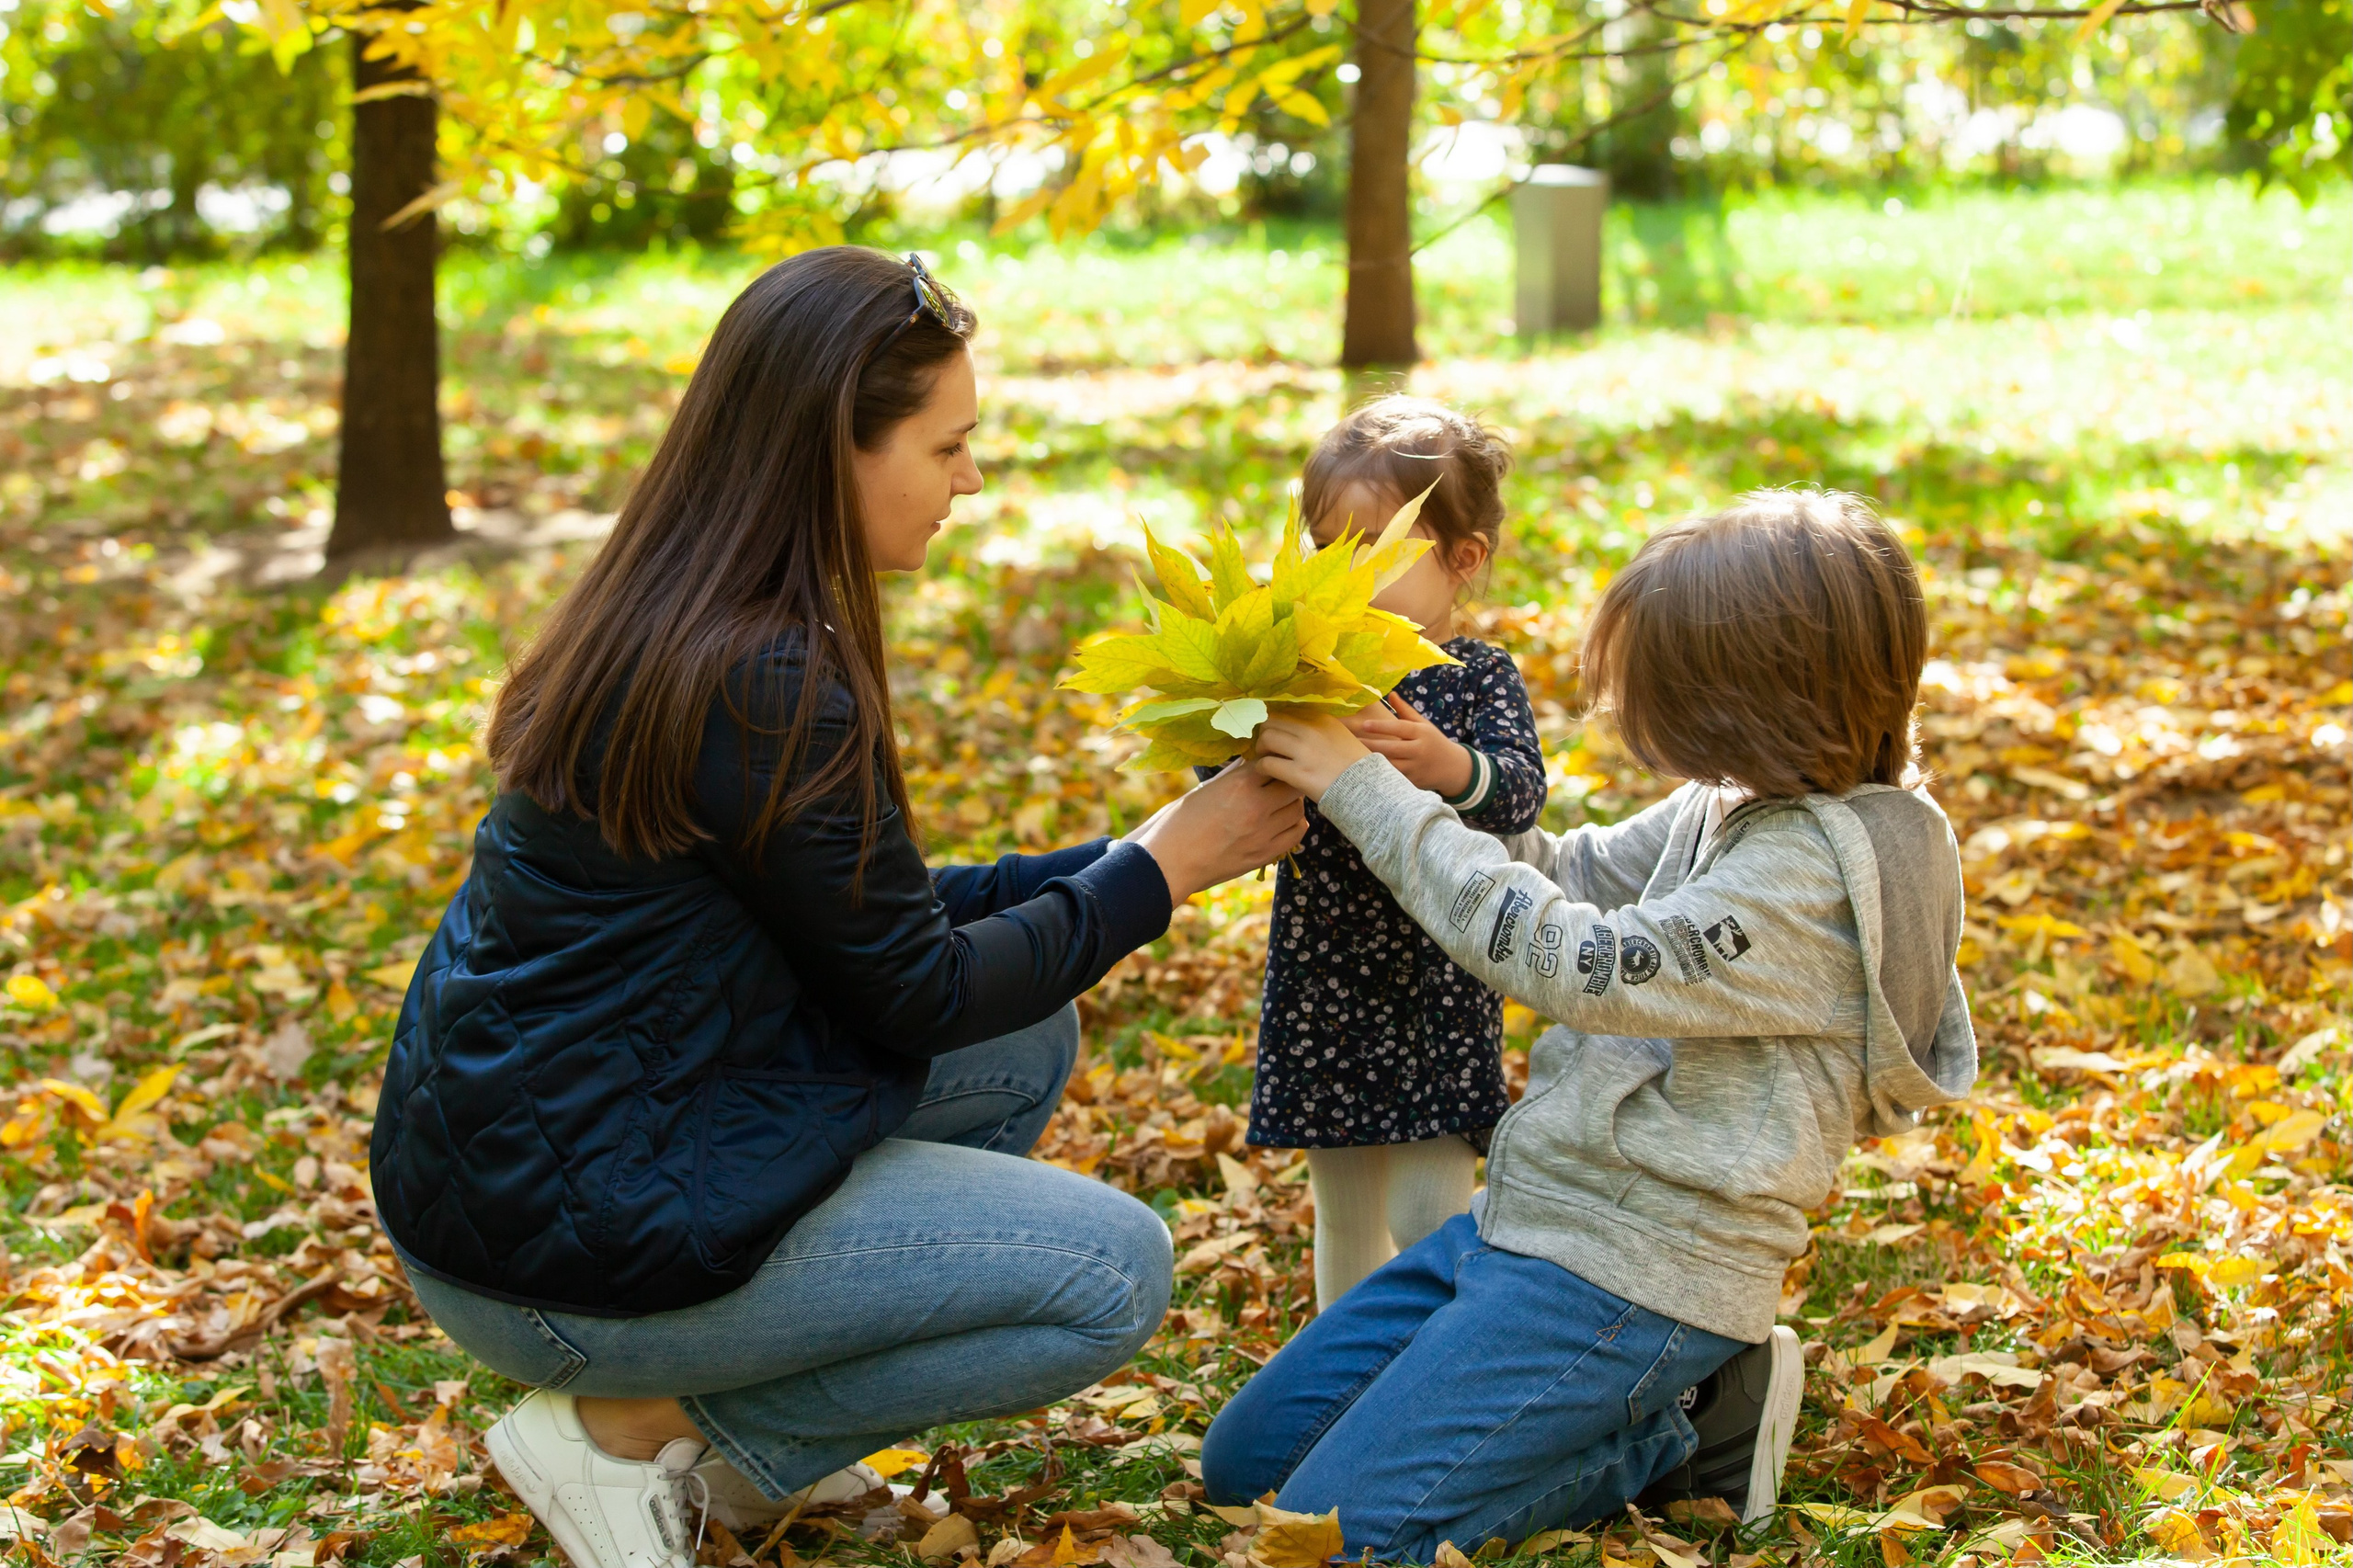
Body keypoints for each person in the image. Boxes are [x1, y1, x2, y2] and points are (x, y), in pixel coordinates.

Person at [368, 247, 1308, 1568]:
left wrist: (1137, 848)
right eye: (949, 443)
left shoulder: (691, 610)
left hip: (553, 1164)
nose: (970, 478)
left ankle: (707, 1441)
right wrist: (1165, 871)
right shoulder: (762, 671)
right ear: (833, 446)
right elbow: (918, 989)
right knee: (1112, 1275)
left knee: (1023, 1041)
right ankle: (644, 1425)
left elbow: (872, 918)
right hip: (561, 1246)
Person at [1221, 489, 1980, 1562]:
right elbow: (1569, 876)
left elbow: (1573, 963)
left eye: (1660, 690)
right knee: (1246, 1464)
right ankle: (1680, 1412)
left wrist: (1370, 800)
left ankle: (1673, 1432)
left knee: (1333, 1541)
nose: (1631, 715)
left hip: (1640, 1268)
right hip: (1535, 1218)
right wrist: (1436, 779)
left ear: (1758, 693)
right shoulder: (1733, 797)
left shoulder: (1804, 876)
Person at [1242, 399, 1547, 1308]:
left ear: (1462, 559)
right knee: (1341, 1203)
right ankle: (1341, 1375)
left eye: (1378, 548)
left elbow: (1520, 791)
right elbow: (1227, 760)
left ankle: (1430, 1354)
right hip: (1325, 970)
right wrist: (1242, 711)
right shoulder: (1306, 668)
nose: (1347, 575)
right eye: (1327, 547)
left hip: (1434, 973)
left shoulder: (1476, 676)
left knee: (1424, 1205)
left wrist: (1454, 768)